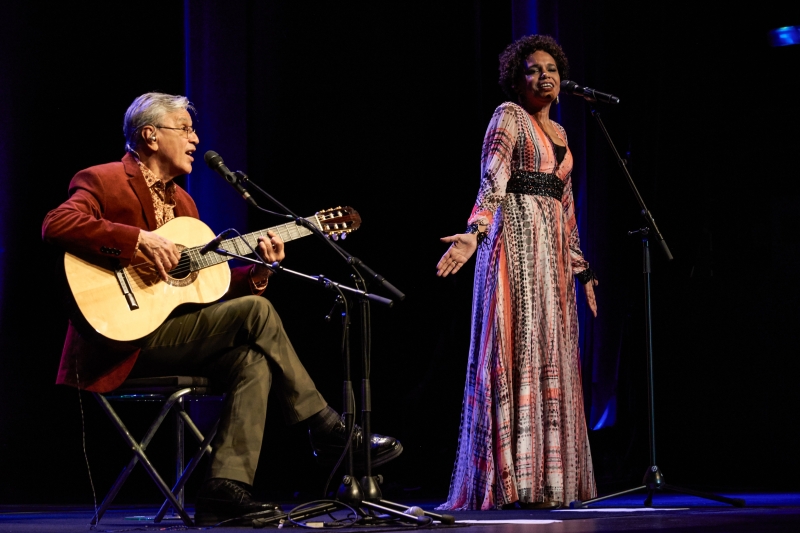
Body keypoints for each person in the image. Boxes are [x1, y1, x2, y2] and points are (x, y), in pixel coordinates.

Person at [42, 92, 402, 526]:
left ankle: (223, 490)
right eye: (185, 129)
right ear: (150, 136)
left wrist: (260, 271)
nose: (196, 139)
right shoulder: (104, 179)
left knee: (252, 361)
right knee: (257, 314)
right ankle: (326, 428)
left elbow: (204, 288)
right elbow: (57, 224)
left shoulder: (185, 206)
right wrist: (138, 239)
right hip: (118, 339)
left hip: (171, 336)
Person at [435, 35, 597, 510]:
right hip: (515, 247)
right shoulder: (508, 116)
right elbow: (493, 177)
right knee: (517, 347)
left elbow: (567, 205)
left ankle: (547, 481)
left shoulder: (562, 133)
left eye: (552, 69)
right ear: (516, 79)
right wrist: (475, 232)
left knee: (550, 352)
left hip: (553, 259)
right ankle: (511, 481)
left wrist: (581, 269)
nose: (544, 76)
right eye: (533, 69)